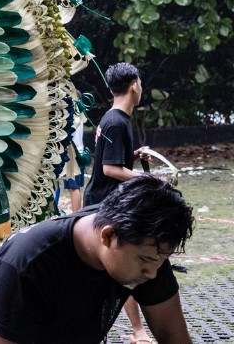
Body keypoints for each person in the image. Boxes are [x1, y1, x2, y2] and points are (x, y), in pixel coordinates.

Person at [0, 176, 194, 344]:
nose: (152, 273)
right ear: (108, 236)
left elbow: (173, 336)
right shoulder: (29, 263)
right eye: (147, 260)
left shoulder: (149, 248)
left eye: (161, 259)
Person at [83, 62, 152, 343]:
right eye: (140, 83)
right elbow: (110, 169)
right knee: (121, 266)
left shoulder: (115, 118)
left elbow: (111, 160)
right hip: (104, 204)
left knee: (116, 268)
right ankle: (137, 331)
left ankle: (135, 330)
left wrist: (133, 156)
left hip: (107, 201)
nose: (141, 88)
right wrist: (148, 179)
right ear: (134, 86)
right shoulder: (116, 122)